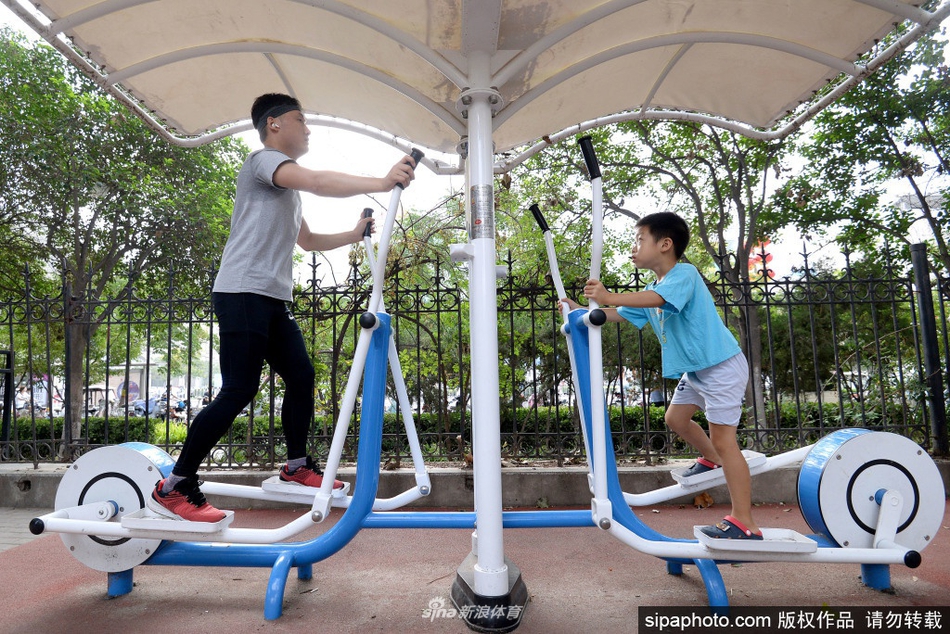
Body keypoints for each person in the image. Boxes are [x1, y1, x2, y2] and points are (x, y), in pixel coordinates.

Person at [148, 93, 416, 522]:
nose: (308, 129)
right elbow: (317, 181)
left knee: (301, 376)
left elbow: (307, 241)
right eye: (300, 120)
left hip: (272, 297)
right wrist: (382, 182)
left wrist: (353, 234)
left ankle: (295, 467)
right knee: (239, 389)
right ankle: (175, 485)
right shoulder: (263, 162)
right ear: (273, 124)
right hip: (242, 291)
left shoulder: (286, 191)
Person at [561, 212, 761, 540]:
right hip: (697, 370)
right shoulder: (652, 288)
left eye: (640, 240)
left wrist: (608, 295)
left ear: (665, 244)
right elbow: (618, 313)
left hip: (720, 367)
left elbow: (657, 299)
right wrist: (581, 311)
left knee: (725, 441)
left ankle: (744, 522)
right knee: (676, 419)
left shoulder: (684, 275)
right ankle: (711, 460)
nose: (634, 247)